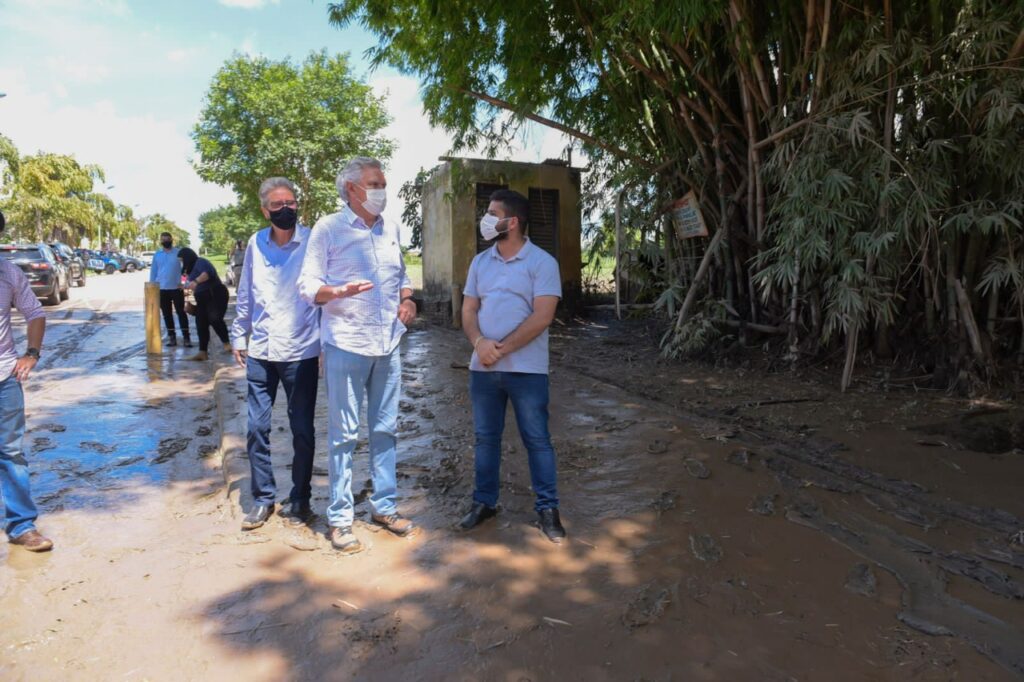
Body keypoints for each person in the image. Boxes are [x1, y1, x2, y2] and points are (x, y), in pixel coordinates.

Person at [299, 156, 417, 554]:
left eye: (383, 182)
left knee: (385, 430)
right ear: (352, 188)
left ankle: (384, 507)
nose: (382, 190)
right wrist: (338, 292)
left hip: (388, 344)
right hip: (346, 344)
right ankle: (340, 518)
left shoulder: (391, 227)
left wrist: (408, 301)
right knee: (343, 435)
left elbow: (402, 275)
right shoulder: (328, 229)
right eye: (375, 183)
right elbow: (308, 287)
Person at [459, 189, 567, 543]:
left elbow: (543, 316)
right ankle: (484, 503)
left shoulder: (542, 262)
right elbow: (469, 310)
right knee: (485, 439)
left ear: (513, 221)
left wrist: (500, 349)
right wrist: (479, 344)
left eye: (492, 213)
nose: (486, 219)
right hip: (483, 369)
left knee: (537, 440)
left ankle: (548, 510)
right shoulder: (480, 262)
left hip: (528, 370)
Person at [230, 178, 320, 531]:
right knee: (256, 428)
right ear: (265, 210)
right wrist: (239, 335)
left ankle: (301, 498)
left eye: (291, 203)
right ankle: (264, 498)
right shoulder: (255, 243)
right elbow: (246, 292)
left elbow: (324, 294)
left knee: (302, 430)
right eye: (278, 205)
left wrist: (326, 344)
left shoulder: (313, 241)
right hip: (262, 351)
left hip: (302, 351)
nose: (286, 210)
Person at [0, 210, 52, 552]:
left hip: (4, 376)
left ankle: (21, 525)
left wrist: (31, 352)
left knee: (11, 452)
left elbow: (35, 313)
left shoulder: (8, 272)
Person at [178, 247, 230, 362]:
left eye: (182, 260)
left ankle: (227, 343)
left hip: (215, 293)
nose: (181, 263)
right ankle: (203, 352)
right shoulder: (189, 270)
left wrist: (196, 282)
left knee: (214, 318)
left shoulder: (200, 262)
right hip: (201, 297)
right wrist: (187, 294)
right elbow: (189, 285)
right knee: (200, 323)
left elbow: (207, 274)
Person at [149, 232, 192, 347]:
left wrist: (185, 283)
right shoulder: (157, 255)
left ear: (171, 240)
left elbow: (186, 269)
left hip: (176, 288)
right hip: (162, 289)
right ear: (161, 241)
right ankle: (172, 338)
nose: (165, 241)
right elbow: (153, 271)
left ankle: (186, 338)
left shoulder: (178, 253)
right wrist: (152, 287)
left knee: (181, 313)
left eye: (167, 239)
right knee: (166, 314)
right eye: (163, 239)